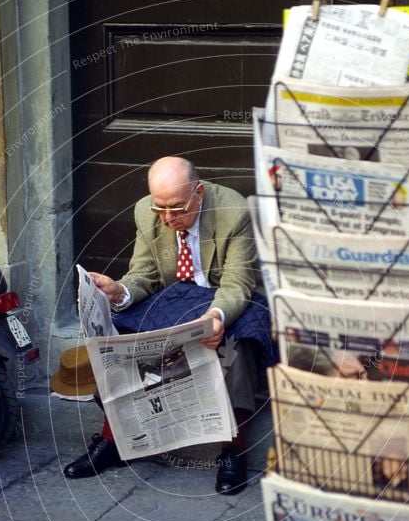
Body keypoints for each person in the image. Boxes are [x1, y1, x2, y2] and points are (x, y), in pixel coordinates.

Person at [64, 156, 262, 494]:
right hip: (175, 296)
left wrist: (214, 319)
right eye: (161, 209)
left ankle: (233, 450)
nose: (168, 218)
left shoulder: (233, 212)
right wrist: (119, 291)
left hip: (220, 296)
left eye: (177, 208)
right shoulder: (148, 212)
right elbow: (145, 275)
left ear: (198, 193)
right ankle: (115, 441)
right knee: (121, 333)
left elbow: (237, 285)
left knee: (234, 341)